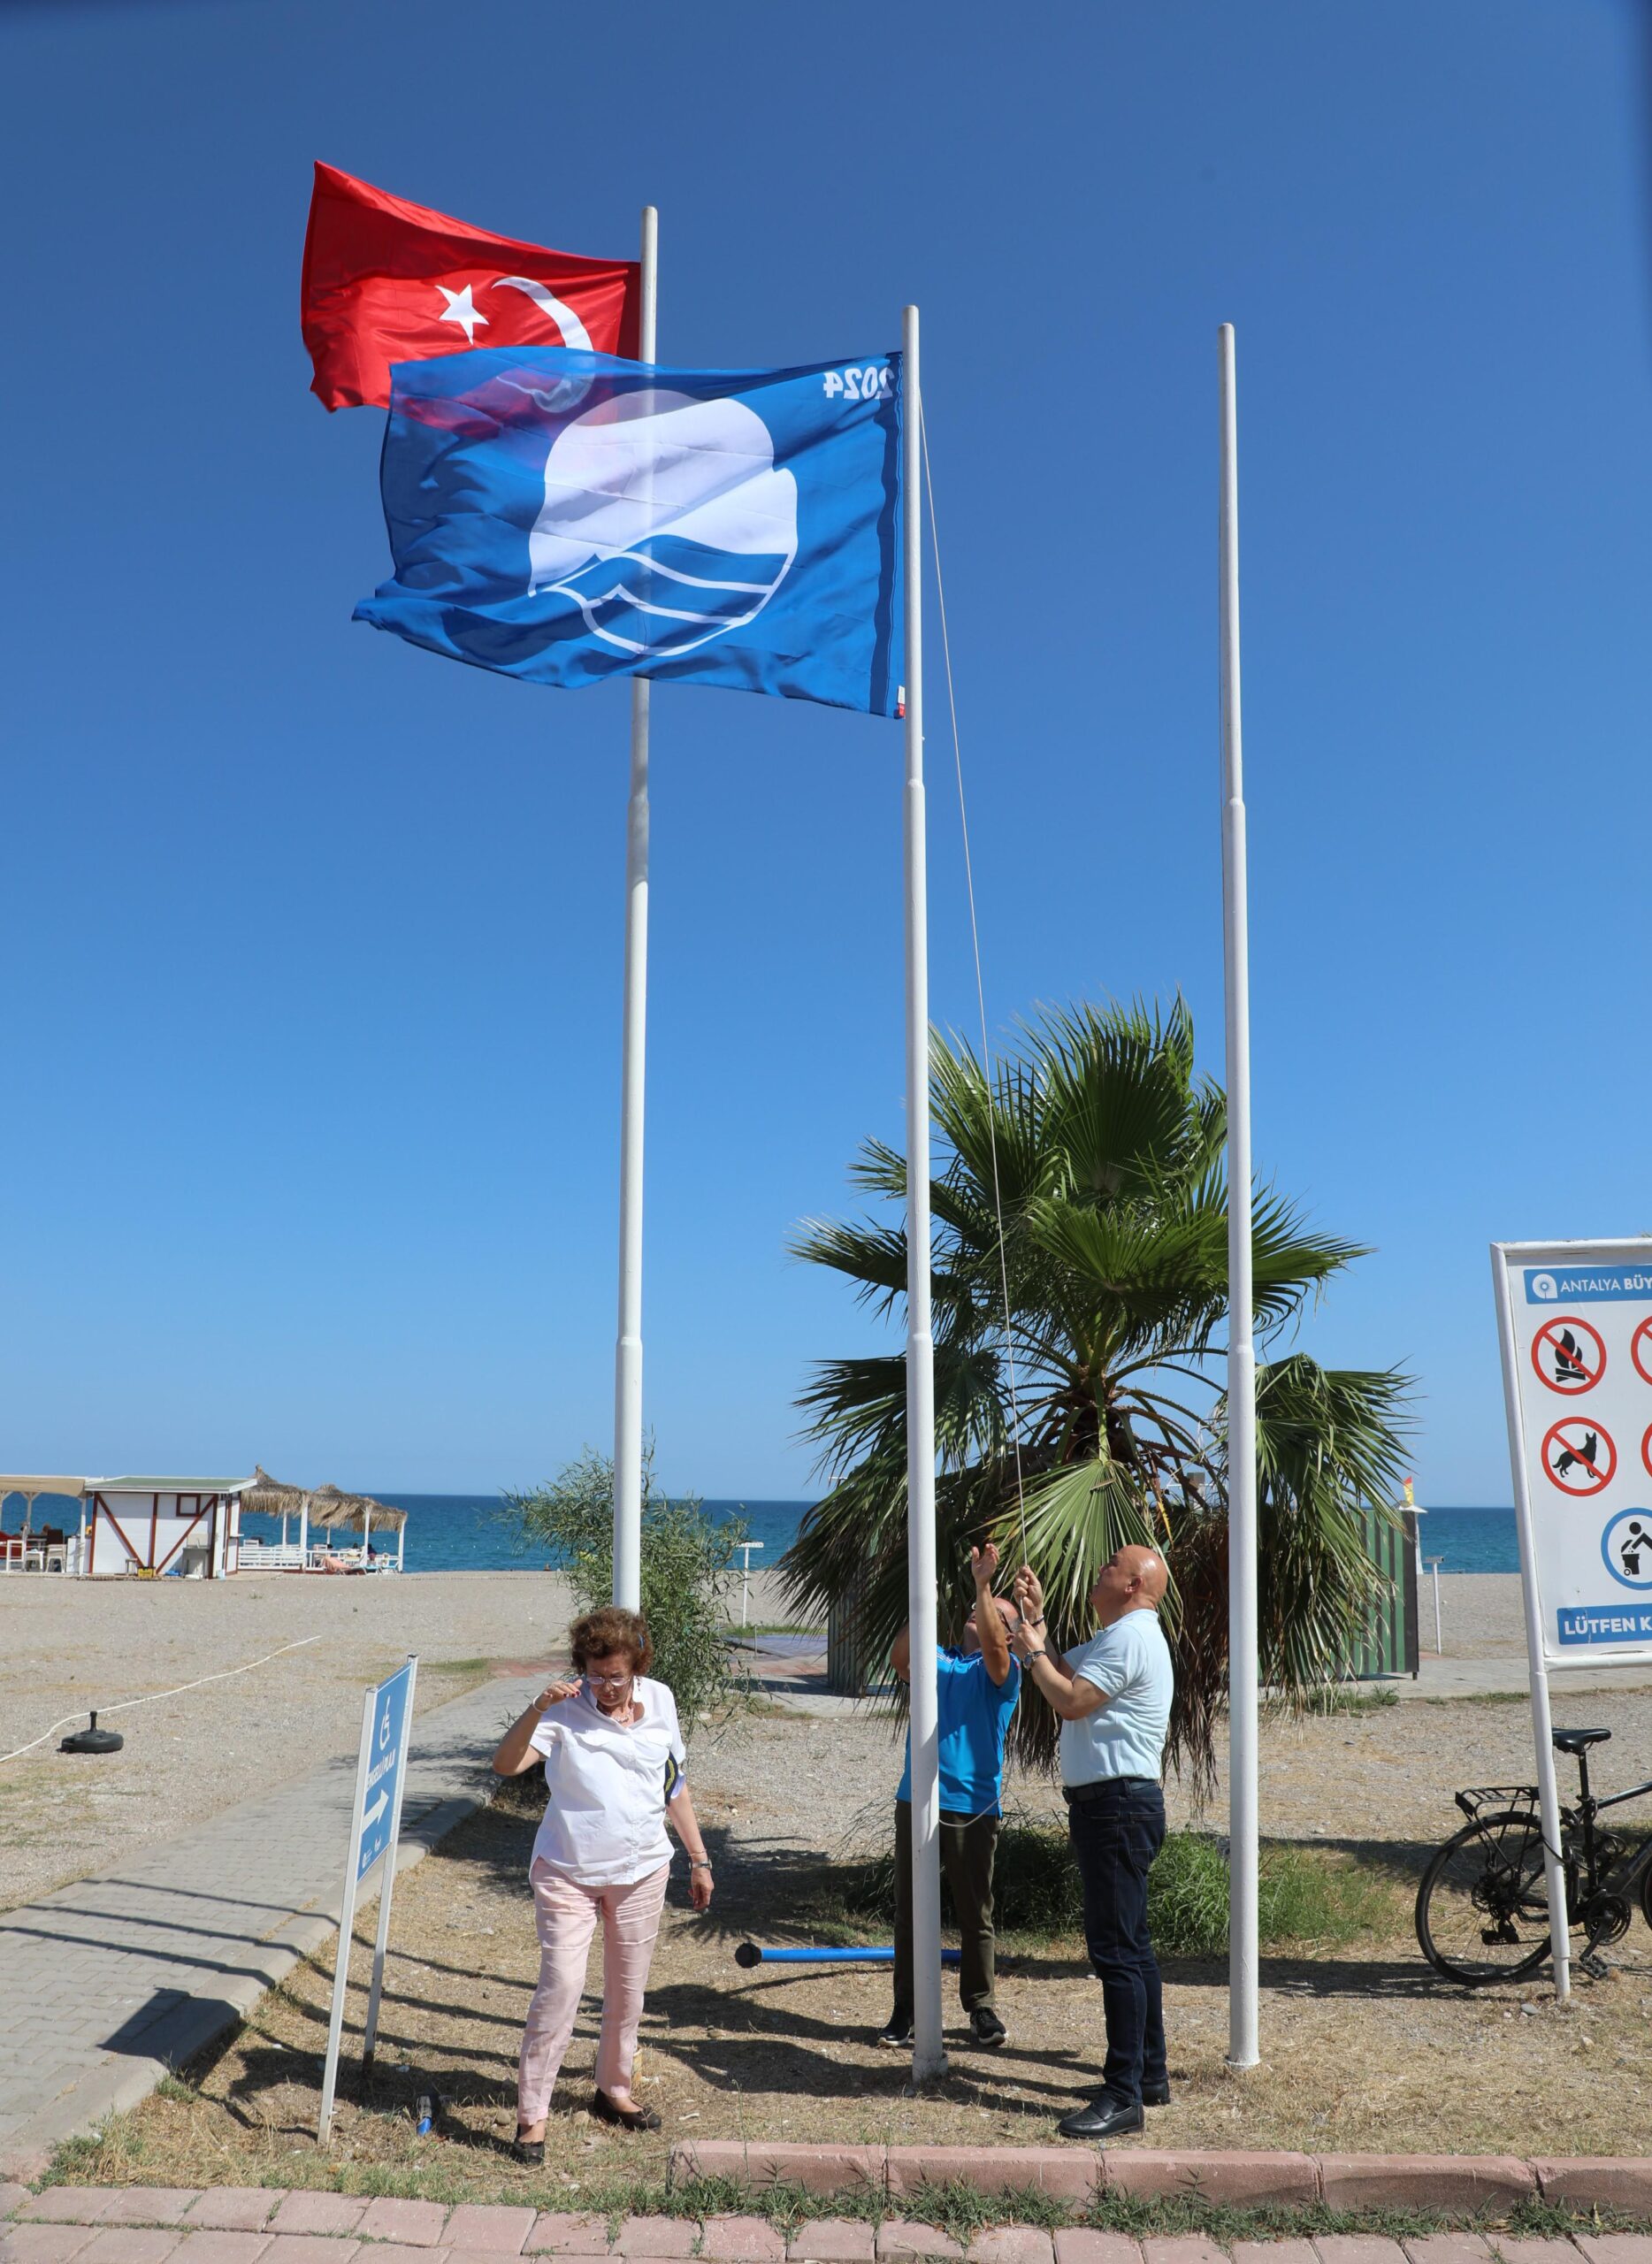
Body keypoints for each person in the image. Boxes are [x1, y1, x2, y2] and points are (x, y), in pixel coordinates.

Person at [491, 1605, 714, 2157]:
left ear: (637, 1665)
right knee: (562, 1987)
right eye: (596, 1674)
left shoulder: (660, 1699)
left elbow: (673, 1782)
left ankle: (614, 2090)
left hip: (642, 1870)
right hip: (568, 1871)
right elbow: (505, 1765)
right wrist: (537, 1707)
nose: (606, 1686)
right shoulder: (563, 1710)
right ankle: (532, 2115)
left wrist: (699, 1856)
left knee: (627, 1992)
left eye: (617, 1675)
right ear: (581, 1666)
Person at [1011, 1544, 1173, 2141]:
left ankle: (1124, 2094)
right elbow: (1060, 1668)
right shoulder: (1122, 1636)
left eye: (1110, 1566)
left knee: (1117, 1952)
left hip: (1117, 1807)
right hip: (1117, 1806)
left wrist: (1030, 1651)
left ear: (1133, 1584)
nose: (1099, 1569)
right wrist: (1037, 1624)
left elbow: (1070, 1700)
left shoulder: (1130, 1638)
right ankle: (1148, 2074)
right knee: (1132, 1945)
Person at [881, 1541, 1021, 2050]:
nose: (978, 1613)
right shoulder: (937, 1660)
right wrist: (922, 1603)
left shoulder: (1003, 1675)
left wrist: (985, 1585)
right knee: (909, 1910)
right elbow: (900, 1659)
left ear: (1007, 1629)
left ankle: (980, 2008)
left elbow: (997, 1652)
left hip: (972, 1806)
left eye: (994, 1614)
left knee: (972, 1911)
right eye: (977, 1606)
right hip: (915, 1797)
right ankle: (906, 2010)